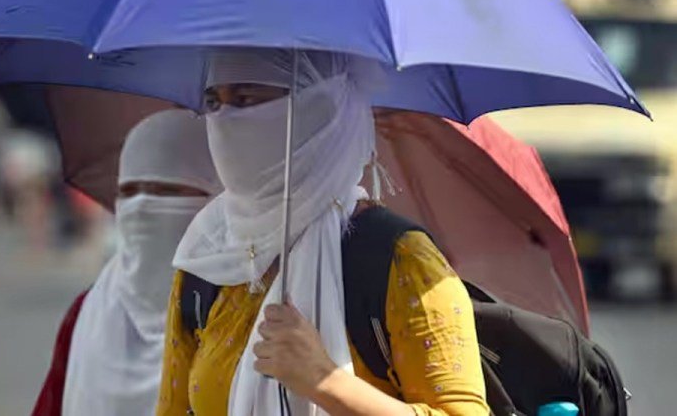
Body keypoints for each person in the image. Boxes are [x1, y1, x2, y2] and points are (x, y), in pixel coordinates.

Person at [156, 49, 490, 416]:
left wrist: (327, 382)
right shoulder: (210, 260)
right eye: (213, 102)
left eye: (247, 99)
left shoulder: (399, 260)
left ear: (319, 109)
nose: (224, 120)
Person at [32, 110, 222, 416]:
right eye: (130, 192)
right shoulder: (86, 312)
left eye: (167, 191)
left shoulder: (241, 316)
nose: (143, 205)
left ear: (216, 197)